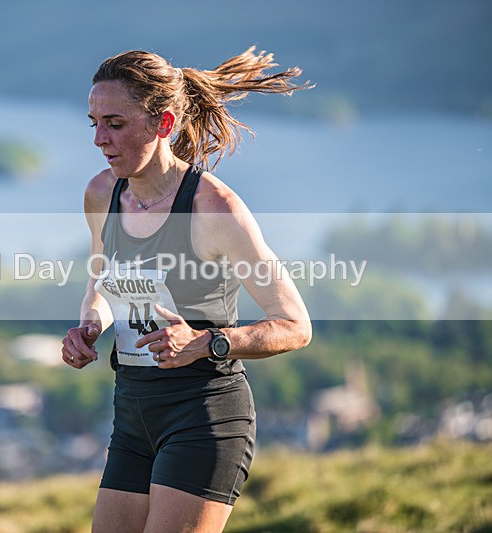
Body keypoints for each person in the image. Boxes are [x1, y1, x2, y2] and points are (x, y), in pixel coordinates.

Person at [61, 46, 313, 533]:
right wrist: (90, 325)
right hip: (132, 417)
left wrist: (207, 342)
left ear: (163, 123)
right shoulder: (101, 194)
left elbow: (295, 325)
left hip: (203, 419)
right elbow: (102, 277)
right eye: (93, 122)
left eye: (114, 123)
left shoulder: (215, 208)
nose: (98, 138)